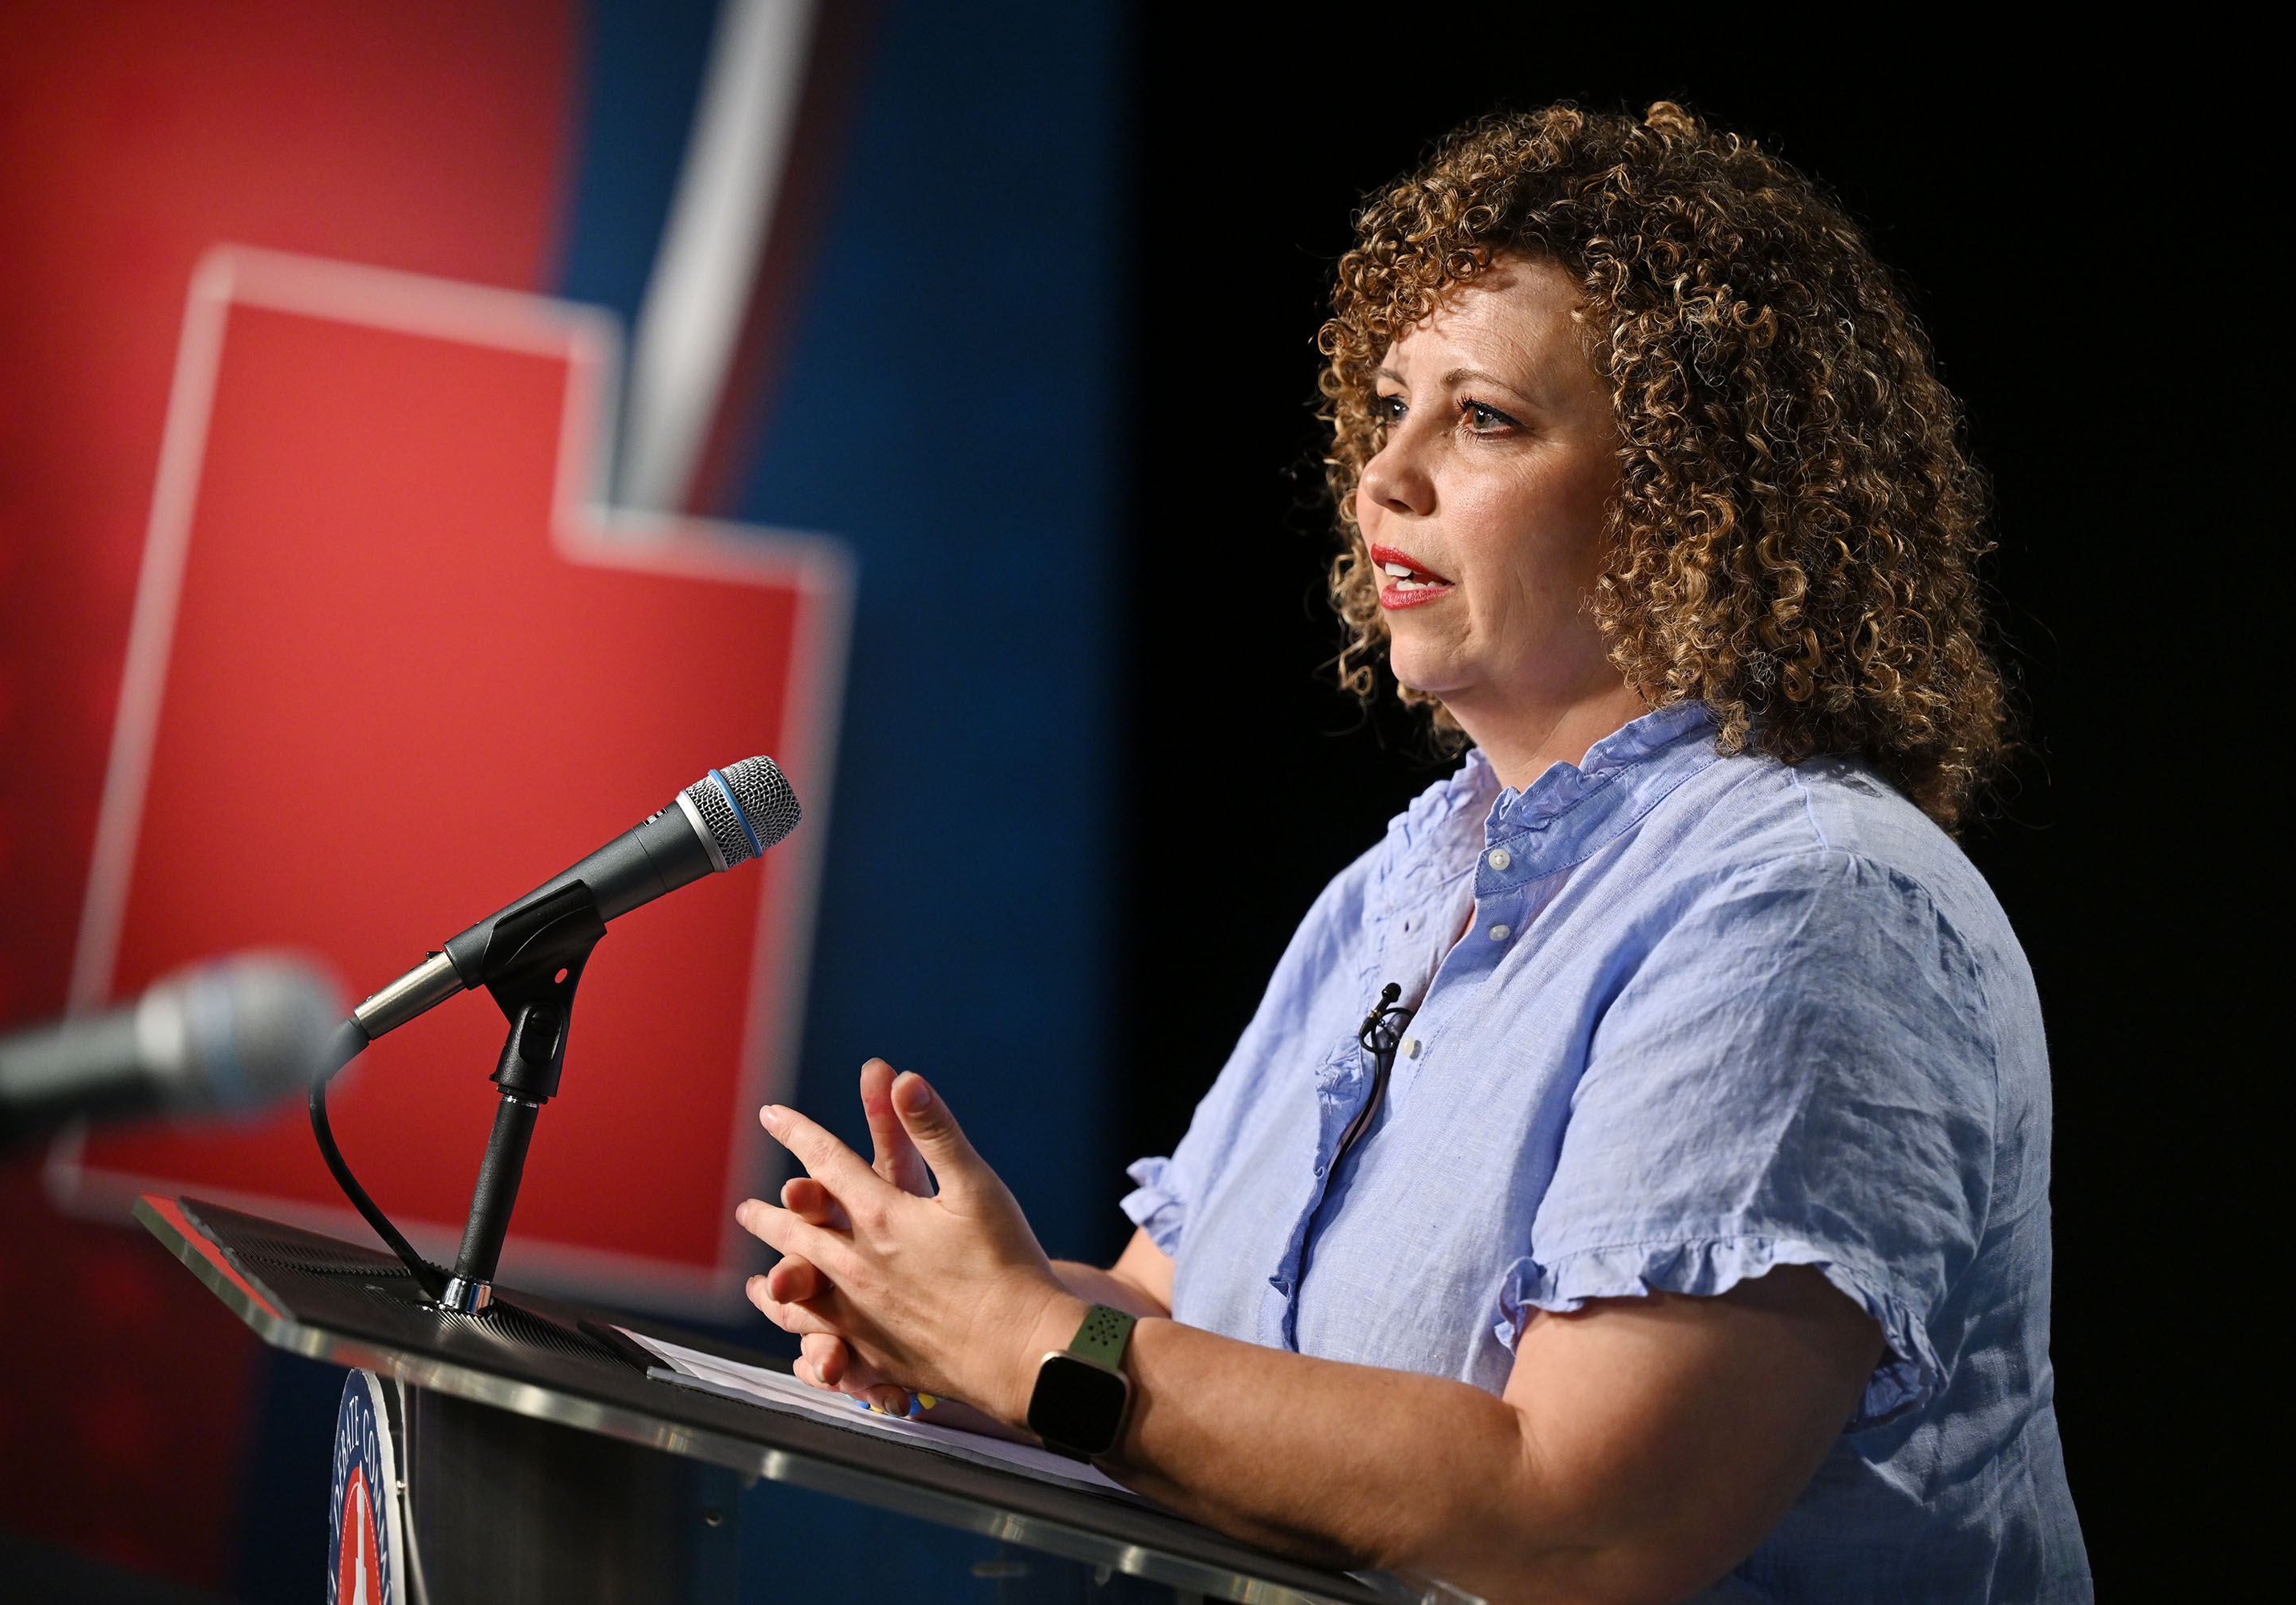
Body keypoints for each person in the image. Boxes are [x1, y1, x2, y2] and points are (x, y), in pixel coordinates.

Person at [734, 103, 2087, 1603]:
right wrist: (945, 1304)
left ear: (1695, 496)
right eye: (1387, 407)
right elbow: (1169, 1326)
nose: (1385, 475)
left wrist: (1026, 1346)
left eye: (1484, 419)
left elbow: (1585, 1520)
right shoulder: (1398, 891)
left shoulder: (1812, 904)